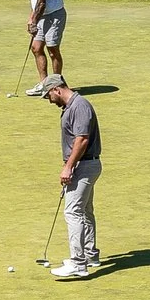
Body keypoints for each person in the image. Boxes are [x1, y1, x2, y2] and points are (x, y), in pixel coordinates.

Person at [41, 77, 102, 279]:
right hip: (83, 164)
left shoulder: (79, 106)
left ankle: (78, 263)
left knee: (72, 211)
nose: (49, 100)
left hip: (83, 165)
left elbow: (82, 139)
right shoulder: (73, 106)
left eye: (49, 95)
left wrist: (68, 167)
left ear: (57, 89)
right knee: (85, 210)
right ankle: (90, 255)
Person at [12, 0, 67, 92]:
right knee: (36, 47)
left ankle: (57, 85)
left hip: (54, 16)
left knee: (53, 50)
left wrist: (34, 21)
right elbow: (38, 3)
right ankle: (44, 84)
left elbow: (41, 3)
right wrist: (32, 19)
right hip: (43, 15)